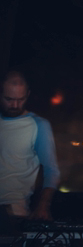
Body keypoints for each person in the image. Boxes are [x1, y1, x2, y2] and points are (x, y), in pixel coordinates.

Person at [0, 70, 60, 223]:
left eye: (20, 99)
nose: (15, 105)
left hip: (12, 211)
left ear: (27, 95)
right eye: (9, 99)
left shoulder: (39, 125)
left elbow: (51, 170)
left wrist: (43, 206)